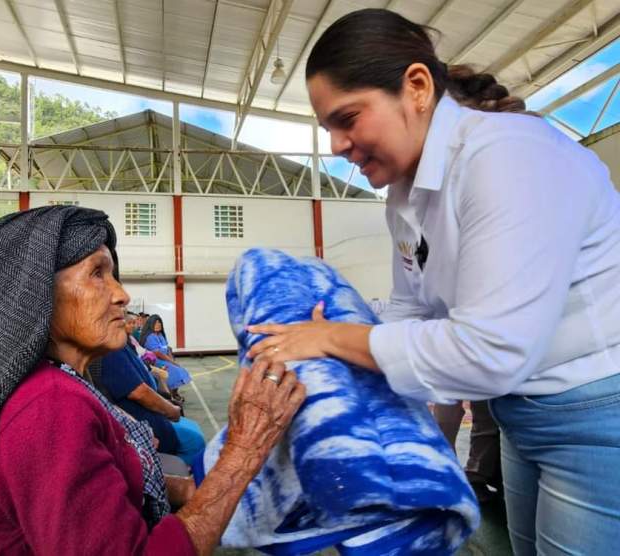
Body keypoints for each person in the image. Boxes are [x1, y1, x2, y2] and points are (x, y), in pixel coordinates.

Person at [247, 9, 620, 555]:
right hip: (521, 413)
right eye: (328, 129)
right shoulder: (405, 194)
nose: (336, 146)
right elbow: (412, 307)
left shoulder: (510, 156)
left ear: (417, 87)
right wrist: (328, 331)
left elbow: (489, 349)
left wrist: (333, 338)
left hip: (595, 413)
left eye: (347, 118)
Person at [0, 206, 305, 555]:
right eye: (97, 273)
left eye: (114, 274)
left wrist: (187, 489)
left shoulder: (56, 381)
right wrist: (243, 453)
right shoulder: (49, 406)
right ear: (35, 296)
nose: (122, 294)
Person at [101, 335, 206, 466]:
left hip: (149, 414)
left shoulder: (124, 345)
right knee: (194, 440)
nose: (131, 325)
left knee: (193, 428)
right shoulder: (113, 351)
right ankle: (177, 474)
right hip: (144, 420)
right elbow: (139, 392)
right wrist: (170, 410)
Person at [140, 315, 192, 395]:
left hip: (165, 359)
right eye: (155, 323)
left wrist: (172, 360)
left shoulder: (160, 335)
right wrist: (171, 362)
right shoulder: (150, 337)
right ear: (151, 324)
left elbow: (167, 349)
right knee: (174, 371)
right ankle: (169, 394)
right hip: (156, 361)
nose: (158, 325)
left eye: (159, 322)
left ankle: (174, 393)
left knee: (180, 369)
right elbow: (158, 353)